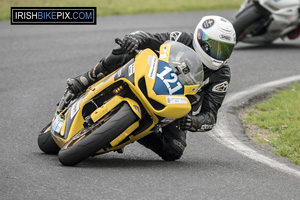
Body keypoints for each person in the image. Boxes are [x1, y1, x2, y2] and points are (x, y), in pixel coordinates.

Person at [67, 15, 236, 161]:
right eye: (215, 46)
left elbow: (210, 116)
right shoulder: (183, 39)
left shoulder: (221, 75)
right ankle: (87, 77)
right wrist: (136, 40)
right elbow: (150, 38)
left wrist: (194, 122)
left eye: (225, 49)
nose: (219, 53)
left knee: (175, 149)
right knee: (126, 48)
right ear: (200, 38)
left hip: (175, 106)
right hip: (150, 77)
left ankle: (133, 132)